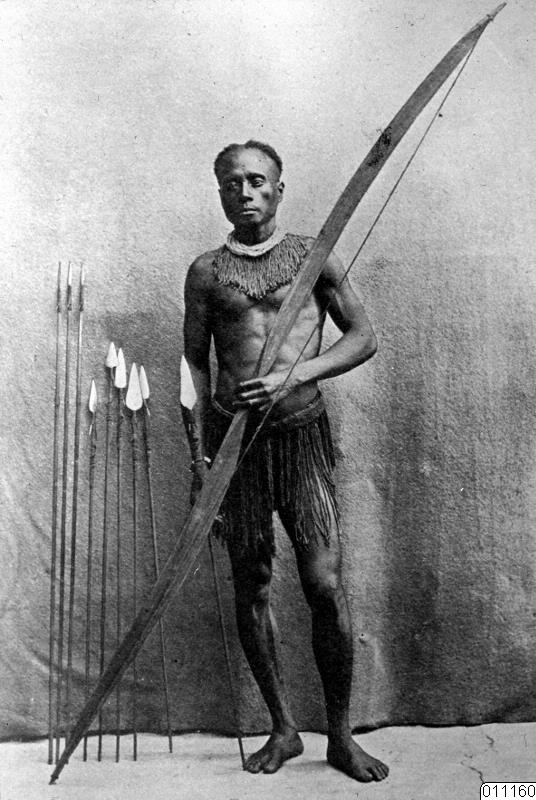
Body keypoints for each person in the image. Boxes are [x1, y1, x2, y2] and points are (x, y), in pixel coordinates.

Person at [183, 139, 388, 783]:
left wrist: (296, 373)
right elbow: (194, 364)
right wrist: (198, 456)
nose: (244, 192)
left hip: (301, 437)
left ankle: (341, 736)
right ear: (220, 192)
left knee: (323, 583)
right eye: (231, 183)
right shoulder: (206, 272)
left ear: (278, 187)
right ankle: (283, 728)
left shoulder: (313, 257)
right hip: (235, 446)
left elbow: (363, 337)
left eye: (256, 180)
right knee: (252, 584)